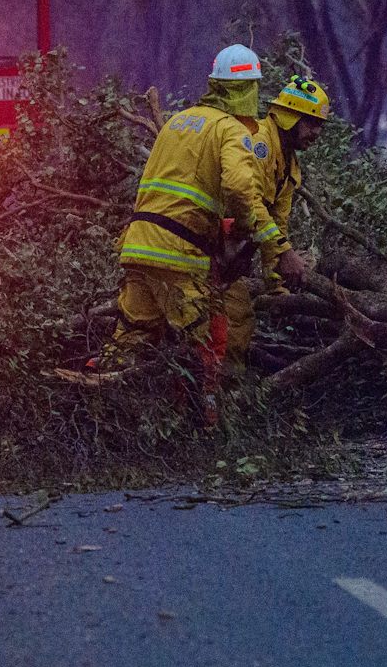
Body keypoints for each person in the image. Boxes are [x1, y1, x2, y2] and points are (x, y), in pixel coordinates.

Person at [105, 46, 303, 404]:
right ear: (248, 89)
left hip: (138, 246)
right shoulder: (230, 130)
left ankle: (99, 413)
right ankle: (207, 434)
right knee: (202, 349)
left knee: (129, 340)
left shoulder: (177, 121)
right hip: (178, 257)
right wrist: (246, 235)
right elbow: (242, 191)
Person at [222, 75, 332, 368]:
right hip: (206, 246)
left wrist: (277, 287)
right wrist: (286, 254)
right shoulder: (259, 143)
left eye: (320, 125)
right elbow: (248, 201)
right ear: (289, 116)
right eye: (311, 123)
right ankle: (220, 399)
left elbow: (276, 225)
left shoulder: (290, 165)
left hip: (225, 257)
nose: (317, 132)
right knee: (235, 322)